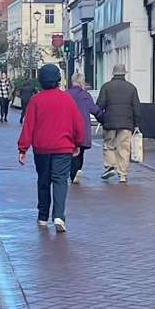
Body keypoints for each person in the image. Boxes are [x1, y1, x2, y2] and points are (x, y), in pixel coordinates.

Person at [16, 63, 86, 230]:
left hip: (42, 148)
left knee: (43, 181)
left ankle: (42, 216)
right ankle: (59, 217)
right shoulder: (66, 99)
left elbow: (28, 126)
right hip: (63, 147)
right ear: (58, 79)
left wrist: (23, 148)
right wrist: (77, 143)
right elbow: (78, 124)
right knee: (60, 180)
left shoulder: (35, 101)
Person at [95, 63, 141, 184]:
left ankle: (110, 166)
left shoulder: (106, 87)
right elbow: (137, 108)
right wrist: (136, 124)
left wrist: (102, 119)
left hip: (109, 123)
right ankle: (123, 174)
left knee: (108, 144)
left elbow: (99, 106)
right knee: (124, 148)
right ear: (124, 74)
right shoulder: (132, 88)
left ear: (113, 74)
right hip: (126, 123)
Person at [65, 71, 97, 183]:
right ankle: (77, 170)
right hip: (82, 129)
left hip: (67, 128)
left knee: (68, 151)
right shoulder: (85, 95)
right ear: (82, 82)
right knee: (80, 151)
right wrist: (104, 119)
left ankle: (72, 173)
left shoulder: (66, 94)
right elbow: (94, 110)